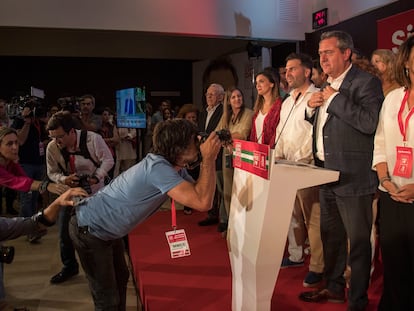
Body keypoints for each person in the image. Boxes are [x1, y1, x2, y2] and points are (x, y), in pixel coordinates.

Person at [68, 119, 222, 310]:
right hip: (90, 229)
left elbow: (199, 193)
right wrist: (209, 159)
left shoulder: (171, 166)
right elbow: (203, 202)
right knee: (107, 298)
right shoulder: (158, 169)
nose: (199, 143)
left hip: (102, 228)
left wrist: (207, 158)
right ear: (178, 147)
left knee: (120, 279)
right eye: (194, 139)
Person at [299, 30, 383, 311]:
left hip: (354, 176)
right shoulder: (327, 84)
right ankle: (334, 289)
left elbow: (369, 123)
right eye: (320, 53)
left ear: (347, 53)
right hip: (326, 175)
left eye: (329, 52)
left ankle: (357, 300)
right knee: (330, 237)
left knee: (358, 243)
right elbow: (327, 130)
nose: (322, 58)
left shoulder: (366, 83)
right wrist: (311, 110)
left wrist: (334, 100)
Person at [46, 111, 114, 284]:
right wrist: (64, 179)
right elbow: (51, 172)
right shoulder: (52, 147)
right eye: (52, 137)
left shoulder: (93, 139)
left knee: (99, 233)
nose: (56, 141)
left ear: (71, 132)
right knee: (64, 234)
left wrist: (96, 177)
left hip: (95, 192)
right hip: (69, 193)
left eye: (60, 136)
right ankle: (69, 266)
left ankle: (104, 269)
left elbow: (108, 159)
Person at [274, 53, 324, 288]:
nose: (288, 73)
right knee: (292, 216)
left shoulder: (317, 96)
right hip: (286, 166)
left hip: (306, 166)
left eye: (293, 69)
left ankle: (318, 266)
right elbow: (282, 134)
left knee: (312, 219)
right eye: (286, 69)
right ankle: (296, 256)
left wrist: (304, 159)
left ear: (306, 71)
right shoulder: (287, 100)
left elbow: (313, 133)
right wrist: (277, 155)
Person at [372, 35, 414, 311]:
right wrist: (385, 179)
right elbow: (380, 142)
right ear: (406, 62)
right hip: (392, 194)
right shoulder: (393, 98)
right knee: (395, 265)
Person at [215, 88, 253, 233]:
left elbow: (242, 134)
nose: (237, 99)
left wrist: (224, 136)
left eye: (239, 96)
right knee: (228, 191)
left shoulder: (248, 113)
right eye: (233, 97)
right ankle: (231, 226)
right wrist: (225, 136)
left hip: (243, 158)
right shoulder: (226, 116)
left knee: (241, 193)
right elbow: (217, 132)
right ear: (228, 101)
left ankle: (241, 227)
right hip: (227, 156)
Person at [197, 83, 224, 228]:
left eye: (212, 94)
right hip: (205, 153)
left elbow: (219, 131)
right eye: (207, 94)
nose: (208, 97)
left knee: (219, 186)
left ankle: (223, 217)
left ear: (220, 97)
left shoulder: (224, 111)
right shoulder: (203, 112)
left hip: (218, 153)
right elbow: (200, 130)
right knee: (209, 184)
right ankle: (212, 214)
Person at [176, 103, 200, 215]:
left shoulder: (199, 129)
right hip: (184, 160)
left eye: (193, 117)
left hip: (198, 159)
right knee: (186, 182)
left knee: (196, 180)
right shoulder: (180, 130)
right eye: (189, 117)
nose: (191, 120)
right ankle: (187, 204)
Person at [249, 68, 283, 148]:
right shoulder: (258, 107)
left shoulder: (280, 105)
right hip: (258, 153)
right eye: (256, 82)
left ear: (272, 84)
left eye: (261, 81)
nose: (257, 85)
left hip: (273, 153)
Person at [100, 107, 119, 180]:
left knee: (110, 174)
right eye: (104, 114)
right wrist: (110, 140)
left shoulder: (112, 126)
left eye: (108, 115)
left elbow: (116, 139)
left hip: (111, 152)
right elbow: (97, 140)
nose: (107, 116)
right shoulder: (97, 127)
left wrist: (104, 141)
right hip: (100, 154)